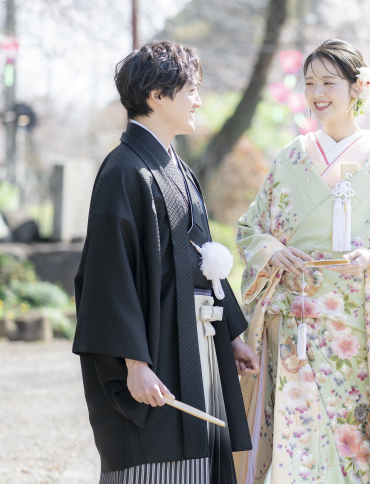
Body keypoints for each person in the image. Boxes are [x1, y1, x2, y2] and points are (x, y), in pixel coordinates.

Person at [234, 39, 370, 484]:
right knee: (297, 436)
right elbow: (250, 229)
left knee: (352, 441)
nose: (317, 92)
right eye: (309, 83)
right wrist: (273, 250)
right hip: (296, 324)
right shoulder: (291, 158)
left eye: (329, 82)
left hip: (358, 329)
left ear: (357, 87)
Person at [72, 40, 260, 484]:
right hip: (155, 345)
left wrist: (228, 334)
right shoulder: (124, 171)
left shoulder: (176, 166)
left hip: (196, 339)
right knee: (158, 458)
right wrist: (133, 363)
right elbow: (107, 277)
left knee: (199, 458)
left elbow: (199, 261)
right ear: (157, 96)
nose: (198, 100)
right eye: (190, 89)